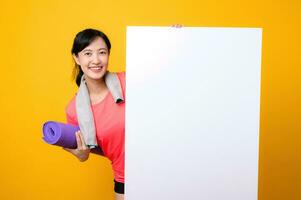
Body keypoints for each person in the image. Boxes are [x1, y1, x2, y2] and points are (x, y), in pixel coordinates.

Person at [63, 28, 125, 200]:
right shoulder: (73, 110)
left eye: (102, 53)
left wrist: (170, 39)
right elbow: (93, 150)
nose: (96, 60)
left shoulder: (129, 81)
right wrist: (82, 155)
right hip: (125, 180)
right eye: (88, 53)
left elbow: (166, 83)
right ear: (76, 58)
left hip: (163, 166)